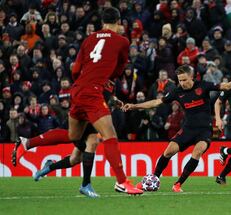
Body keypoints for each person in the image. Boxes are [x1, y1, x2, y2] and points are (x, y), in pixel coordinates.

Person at [13, 7, 142, 198]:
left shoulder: (89, 39)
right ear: (118, 22)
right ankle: (122, 182)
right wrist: (106, 79)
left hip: (78, 89)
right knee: (109, 135)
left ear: (101, 23)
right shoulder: (122, 41)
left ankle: (27, 143)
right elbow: (120, 68)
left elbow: (75, 69)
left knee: (74, 135)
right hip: (94, 91)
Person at [122, 65, 231, 192]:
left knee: (198, 151)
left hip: (205, 129)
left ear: (191, 77)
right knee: (168, 151)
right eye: (180, 80)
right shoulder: (177, 92)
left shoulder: (203, 85)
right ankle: (152, 179)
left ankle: (178, 184)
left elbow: (225, 86)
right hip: (188, 128)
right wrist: (134, 106)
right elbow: (156, 102)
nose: (182, 83)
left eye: (184, 80)